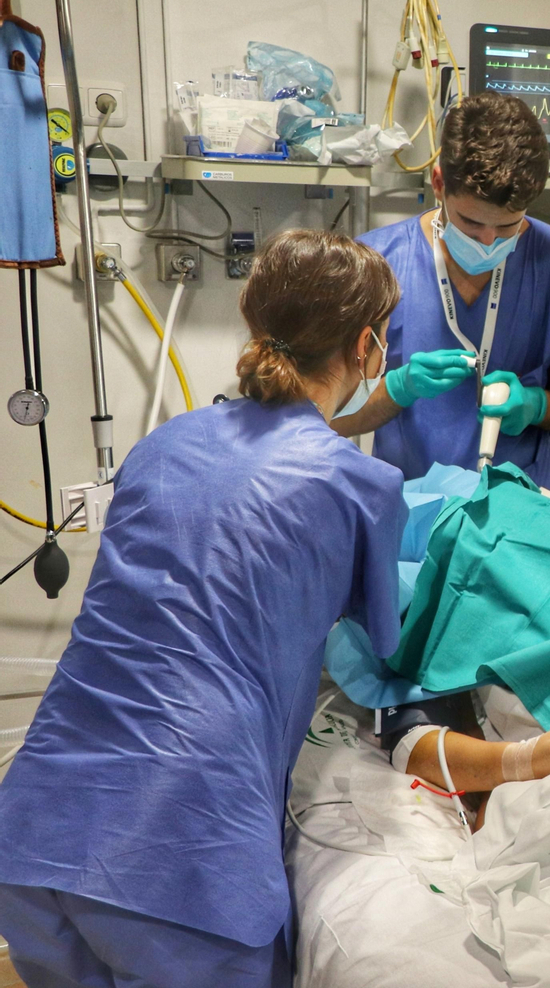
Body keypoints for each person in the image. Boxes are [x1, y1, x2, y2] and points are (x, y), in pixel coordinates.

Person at [0, 231, 406, 987]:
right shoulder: (359, 488)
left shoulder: (163, 443)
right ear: (367, 345)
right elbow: (388, 648)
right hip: (181, 859)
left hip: (37, 830)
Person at [335, 91, 550, 491]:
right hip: (411, 514)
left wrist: (537, 406)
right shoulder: (375, 263)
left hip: (520, 511)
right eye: (470, 224)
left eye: (507, 228)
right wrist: (399, 388)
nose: (488, 243)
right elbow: (334, 418)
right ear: (438, 184)